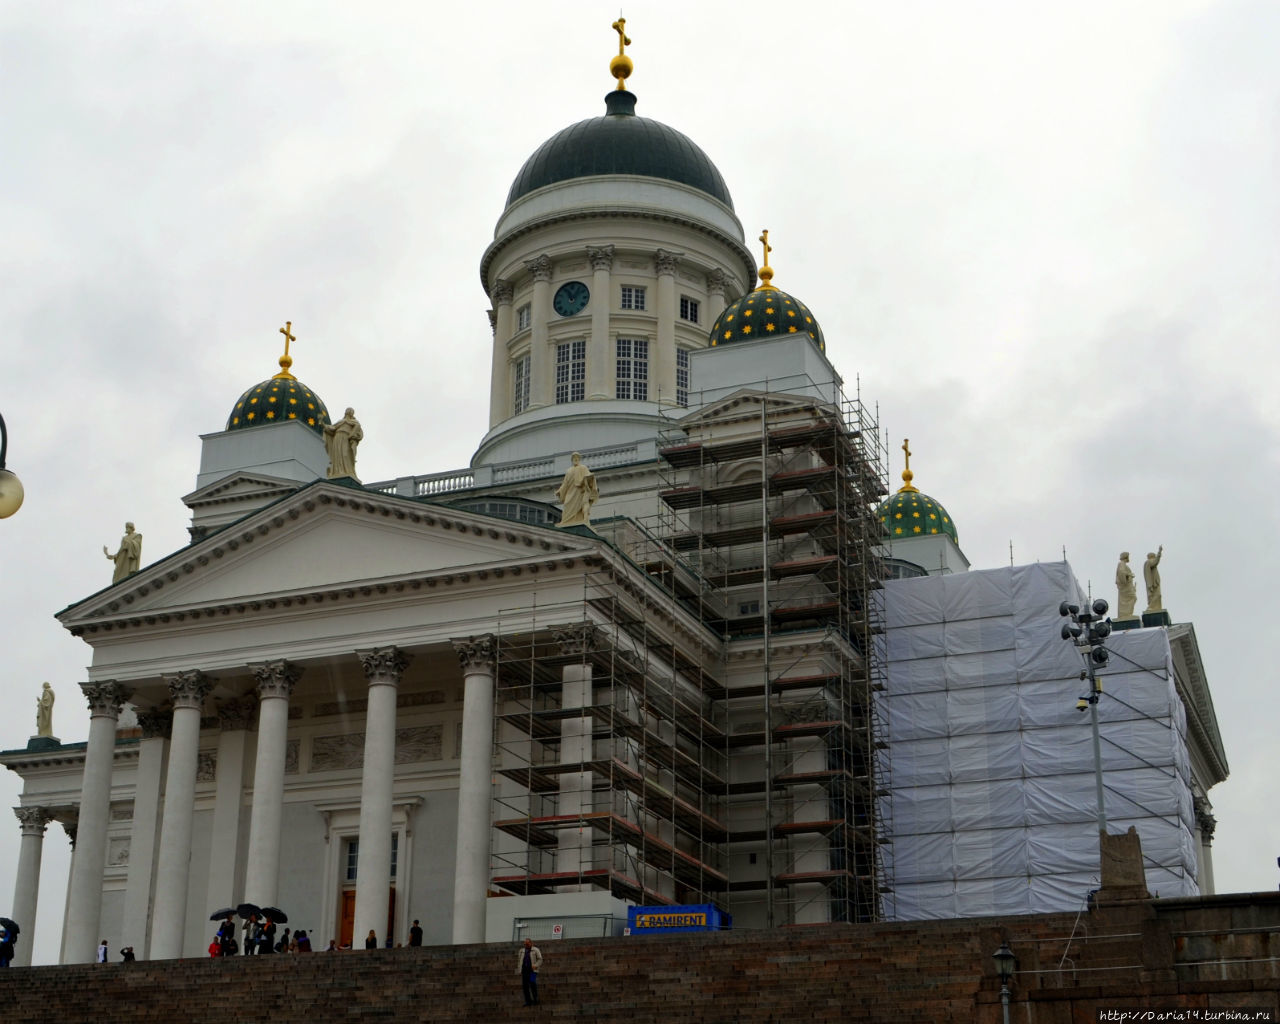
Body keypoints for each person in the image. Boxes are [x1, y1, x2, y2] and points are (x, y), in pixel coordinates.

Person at [555, 451, 598, 528]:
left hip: (579, 493)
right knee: (566, 506)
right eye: (574, 458)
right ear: (572, 460)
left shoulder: (583, 468)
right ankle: (566, 521)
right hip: (570, 493)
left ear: (579, 459)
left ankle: (582, 519)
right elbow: (565, 484)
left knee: (582, 506)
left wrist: (589, 479)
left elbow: (589, 478)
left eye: (577, 458)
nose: (576, 459)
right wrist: (560, 491)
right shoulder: (569, 471)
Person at [323, 407, 363, 481]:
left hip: (346, 437)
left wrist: (352, 435)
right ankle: (337, 471)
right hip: (338, 437)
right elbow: (332, 428)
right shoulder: (341, 421)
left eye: (350, 411)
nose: (348, 411)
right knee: (338, 454)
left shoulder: (354, 422)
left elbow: (358, 430)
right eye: (348, 410)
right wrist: (324, 425)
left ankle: (347, 470)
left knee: (345, 454)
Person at [515, 937, 542, 1007]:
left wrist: (535, 965)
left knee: (532, 983)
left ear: (531, 943)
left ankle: (535, 999)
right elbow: (519, 961)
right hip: (524, 971)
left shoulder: (535, 950)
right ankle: (528, 1001)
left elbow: (540, 959)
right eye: (525, 944)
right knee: (525, 986)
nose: (526, 945)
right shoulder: (521, 951)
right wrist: (519, 969)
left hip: (533, 971)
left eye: (527, 944)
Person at [1115, 552, 1137, 620]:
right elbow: (1121, 572)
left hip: (1128, 585)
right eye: (1128, 556)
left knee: (1133, 598)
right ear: (1126, 557)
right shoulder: (1121, 563)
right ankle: (1125, 614)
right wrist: (1129, 574)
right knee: (1133, 597)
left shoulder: (1123, 564)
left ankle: (1127, 614)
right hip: (1125, 586)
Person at [1143, 545, 1164, 613]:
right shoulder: (1149, 562)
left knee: (1157, 595)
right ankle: (1152, 607)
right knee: (1157, 595)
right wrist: (1159, 552)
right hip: (1153, 583)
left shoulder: (1148, 563)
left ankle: (1155, 607)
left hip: (1154, 582)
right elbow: (1156, 562)